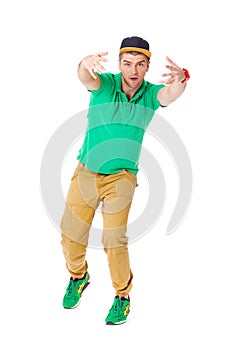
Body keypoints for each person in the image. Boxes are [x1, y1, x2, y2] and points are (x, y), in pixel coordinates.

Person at [60, 36, 189, 325]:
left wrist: (182, 79)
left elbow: (170, 94)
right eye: (127, 63)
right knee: (70, 235)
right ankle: (79, 277)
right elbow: (86, 78)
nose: (133, 70)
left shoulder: (150, 96)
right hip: (87, 172)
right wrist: (83, 64)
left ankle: (122, 297)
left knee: (113, 239)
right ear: (119, 64)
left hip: (121, 177)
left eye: (140, 64)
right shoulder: (104, 84)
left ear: (147, 67)